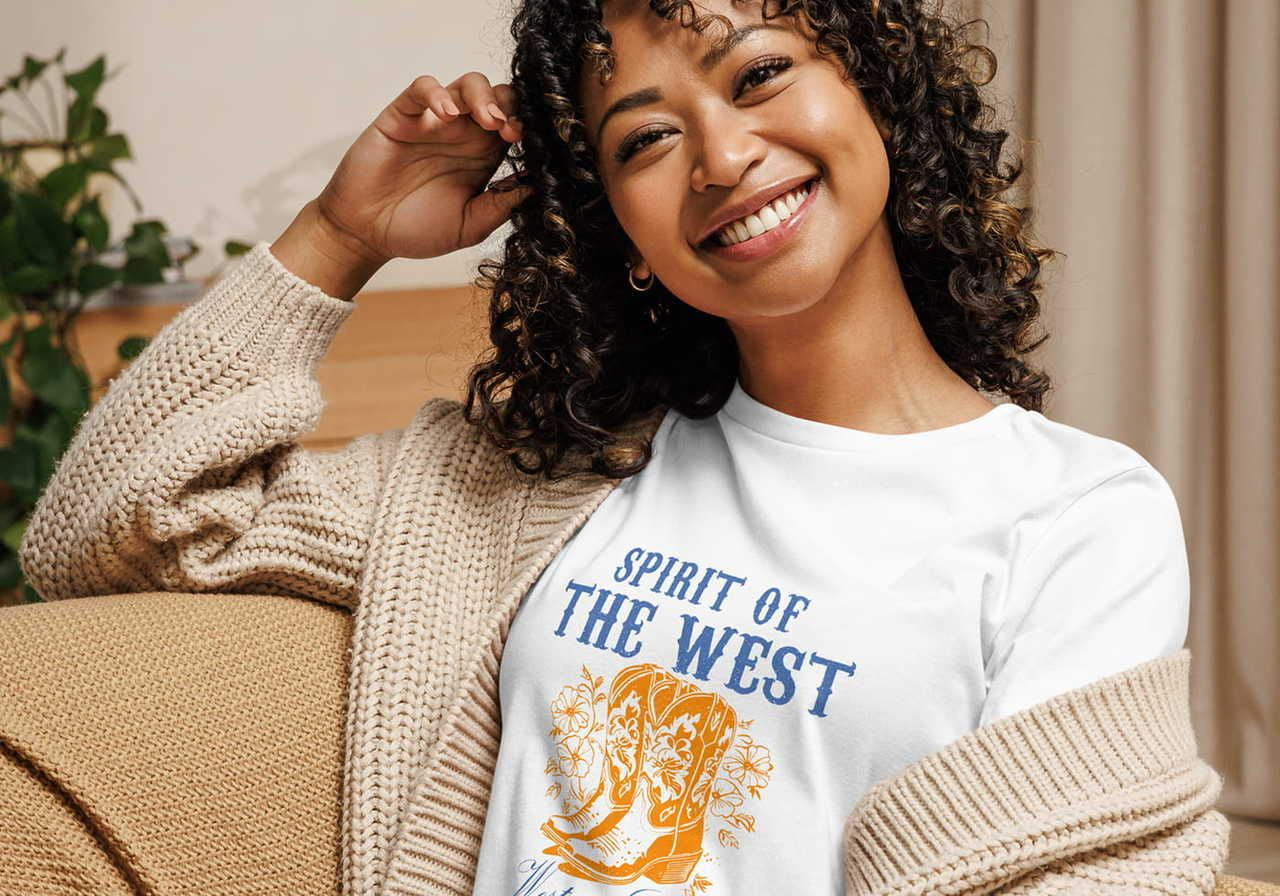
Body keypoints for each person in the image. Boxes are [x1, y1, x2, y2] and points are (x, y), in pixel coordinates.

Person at [19, 0, 1227, 894]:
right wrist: (340, 236)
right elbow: (109, 526)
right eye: (644, 141)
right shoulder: (541, 478)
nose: (720, 156)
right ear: (629, 240)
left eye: (757, 74)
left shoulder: (1076, 514)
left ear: (874, 98)